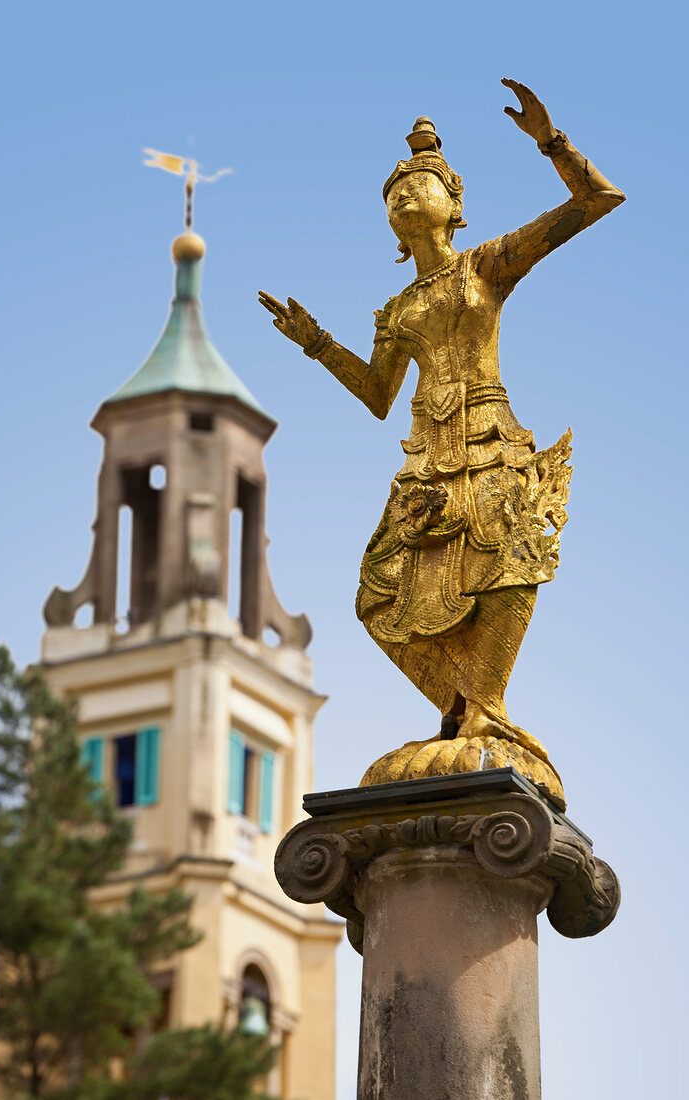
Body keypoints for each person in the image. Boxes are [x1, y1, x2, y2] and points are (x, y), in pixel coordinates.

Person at [259, 80, 624, 805]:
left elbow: (594, 203)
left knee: (510, 558)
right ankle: (462, 710)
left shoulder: (486, 265)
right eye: (392, 194)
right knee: (379, 596)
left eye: (419, 184)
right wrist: (316, 343)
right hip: (425, 458)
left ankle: (484, 710)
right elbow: (375, 395)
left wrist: (550, 144)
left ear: (452, 205)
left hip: (488, 437)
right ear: (391, 227)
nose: (403, 196)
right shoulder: (397, 308)